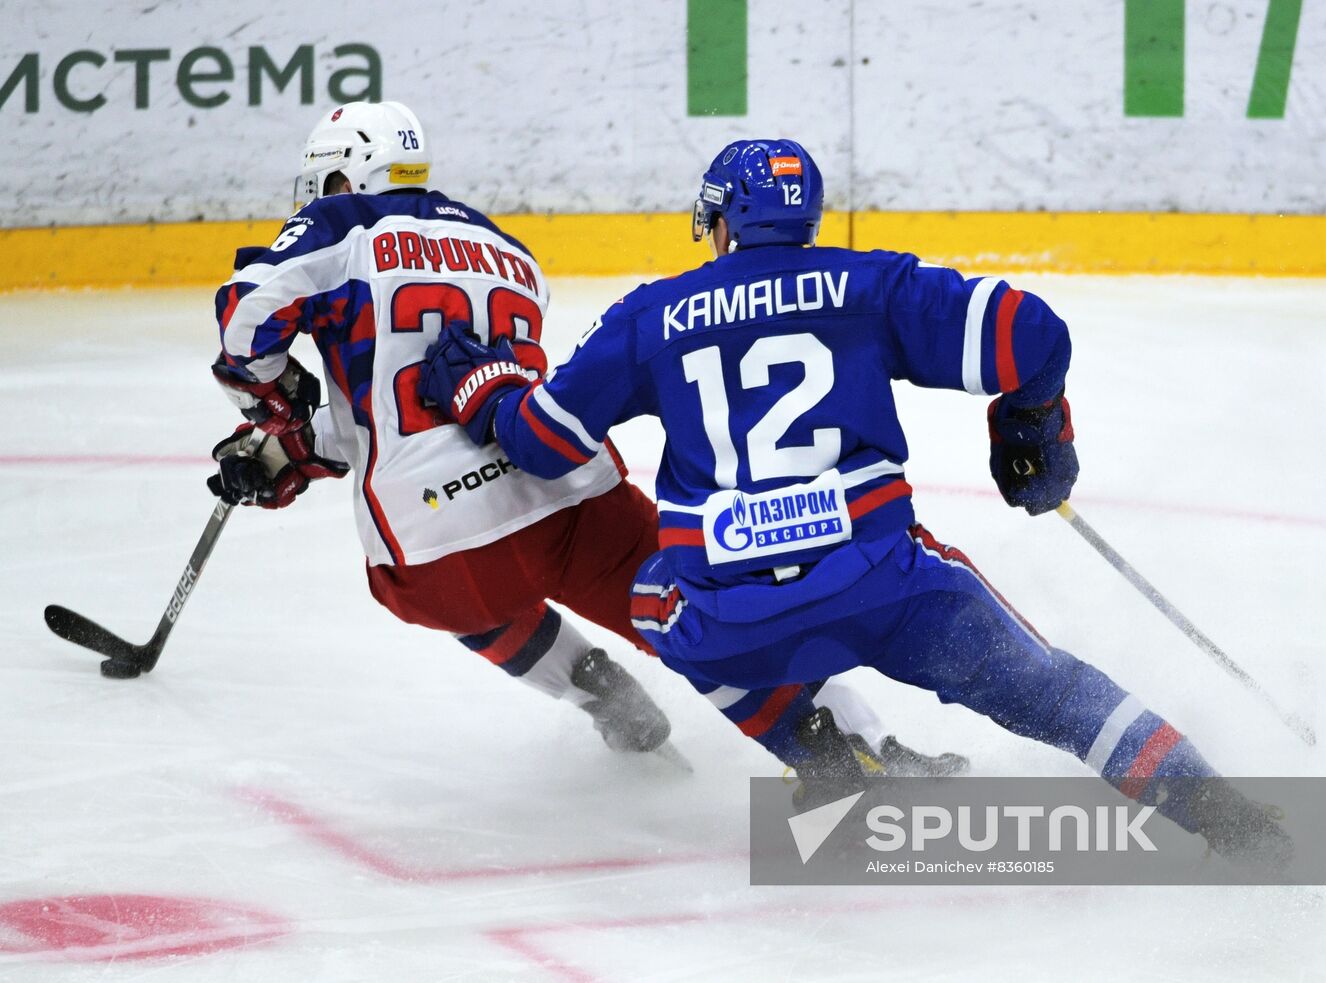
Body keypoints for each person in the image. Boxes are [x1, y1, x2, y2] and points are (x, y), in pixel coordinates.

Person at [418, 137, 1289, 857]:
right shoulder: (870, 287)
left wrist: (486, 392)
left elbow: (543, 442)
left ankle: (811, 748)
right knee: (1054, 693)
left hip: (731, 618)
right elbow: (1034, 335)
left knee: (652, 591)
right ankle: (1231, 820)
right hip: (890, 592)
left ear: (722, 223)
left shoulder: (651, 316)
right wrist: (1032, 434)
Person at [206, 104, 963, 777]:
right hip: (568, 498)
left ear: (347, 177)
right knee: (715, 617)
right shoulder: (506, 249)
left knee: (460, 583)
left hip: (438, 545)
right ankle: (861, 747)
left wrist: (278, 418)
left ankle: (591, 684)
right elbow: (445, 394)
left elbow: (256, 326)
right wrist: (297, 441)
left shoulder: (340, 226)